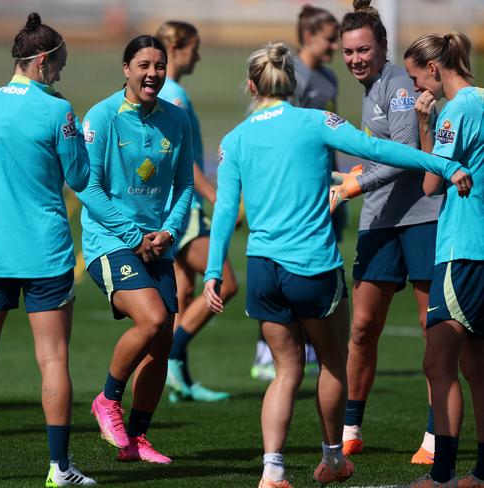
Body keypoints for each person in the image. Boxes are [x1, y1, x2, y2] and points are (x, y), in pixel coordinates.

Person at [202, 41, 471, 488]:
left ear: (252, 85)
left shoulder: (234, 141)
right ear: (291, 84)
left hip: (264, 271)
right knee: (331, 363)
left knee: (285, 371)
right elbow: (380, 150)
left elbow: (226, 212)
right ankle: (331, 458)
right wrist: (439, 162)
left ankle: (272, 470)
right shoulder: (314, 121)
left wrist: (213, 272)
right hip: (312, 268)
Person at [0, 14, 96, 486]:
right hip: (45, 253)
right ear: (44, 60)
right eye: (60, 66)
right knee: (52, 360)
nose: (61, 75)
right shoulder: (58, 110)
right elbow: (81, 177)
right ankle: (58, 468)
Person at [77, 34, 194, 464]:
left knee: (162, 341)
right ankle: (107, 401)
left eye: (159, 66)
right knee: (153, 318)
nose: (152, 74)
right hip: (111, 241)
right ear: (126, 69)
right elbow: (86, 186)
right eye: (143, 65)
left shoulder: (176, 120)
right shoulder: (103, 116)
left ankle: (137, 440)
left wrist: (168, 231)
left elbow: (184, 185)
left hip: (156, 243)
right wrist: (131, 235)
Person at [336, 0, 443, 463]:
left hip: (420, 218)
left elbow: (403, 154)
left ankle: (435, 434)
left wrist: (357, 182)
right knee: (362, 328)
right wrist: (358, 169)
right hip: (379, 221)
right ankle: (351, 426)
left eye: (363, 49)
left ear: (382, 47)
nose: (355, 58)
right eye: (349, 51)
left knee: (432, 328)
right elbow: (383, 151)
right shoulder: (371, 85)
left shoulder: (398, 85)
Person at [404, 32, 484, 488]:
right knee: (475, 367)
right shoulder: (483, 100)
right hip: (480, 247)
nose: (417, 90)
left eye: (417, 79)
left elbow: (431, 185)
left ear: (434, 70)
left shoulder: (456, 109)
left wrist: (424, 124)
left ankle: (442, 475)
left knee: (438, 363)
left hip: (462, 248)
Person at [251, 4, 341, 382]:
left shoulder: (331, 79)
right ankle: (266, 350)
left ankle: (302, 343)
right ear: (308, 38)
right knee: (282, 264)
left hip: (330, 182)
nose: (336, 45)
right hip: (296, 189)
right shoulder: (291, 78)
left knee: (318, 262)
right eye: (329, 38)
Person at [155, 20, 237, 403]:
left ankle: (178, 379)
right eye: (194, 48)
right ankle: (168, 353)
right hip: (182, 207)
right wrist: (219, 200)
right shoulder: (173, 95)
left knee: (183, 292)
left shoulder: (167, 92)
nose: (198, 56)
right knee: (226, 281)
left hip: (172, 204)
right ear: (177, 49)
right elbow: (182, 159)